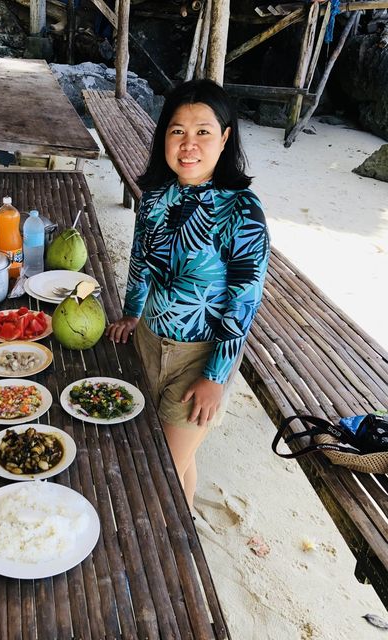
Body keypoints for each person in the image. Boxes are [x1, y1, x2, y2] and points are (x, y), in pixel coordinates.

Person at [106, 79, 270, 509]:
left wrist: (215, 378)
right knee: (178, 461)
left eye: (203, 131)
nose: (188, 144)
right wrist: (130, 314)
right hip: (147, 343)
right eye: (178, 131)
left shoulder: (242, 211)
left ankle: (158, 549)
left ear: (225, 138)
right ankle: (185, 536)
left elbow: (244, 300)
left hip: (200, 357)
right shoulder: (155, 198)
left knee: (158, 471)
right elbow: (140, 263)